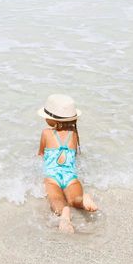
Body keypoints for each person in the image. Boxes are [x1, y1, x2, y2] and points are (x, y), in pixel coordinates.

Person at [36, 94, 98, 233]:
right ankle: (83, 200)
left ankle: (64, 213)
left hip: (52, 177)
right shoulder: (74, 134)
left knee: (56, 199)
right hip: (71, 177)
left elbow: (41, 155)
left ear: (53, 120)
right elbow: (74, 156)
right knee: (74, 199)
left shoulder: (46, 133)